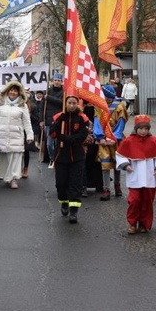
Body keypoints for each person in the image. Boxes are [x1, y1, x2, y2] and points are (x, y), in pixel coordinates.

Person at [116, 115, 156, 234]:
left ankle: (144, 224)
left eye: (146, 129)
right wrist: (125, 164)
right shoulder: (128, 141)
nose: (143, 131)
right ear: (136, 128)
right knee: (134, 201)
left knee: (147, 202)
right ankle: (132, 223)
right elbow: (120, 155)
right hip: (135, 176)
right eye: (141, 128)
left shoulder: (154, 141)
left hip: (150, 177)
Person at [49, 96, 91, 224]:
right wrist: (58, 124)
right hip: (61, 156)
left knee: (75, 184)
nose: (72, 105)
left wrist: (65, 139)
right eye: (69, 103)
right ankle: (64, 203)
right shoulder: (58, 117)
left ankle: (74, 211)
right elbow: (52, 134)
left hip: (77, 157)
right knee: (61, 184)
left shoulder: (82, 118)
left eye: (74, 103)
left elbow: (81, 137)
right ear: (65, 104)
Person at [0, 81, 34, 189]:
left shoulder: (23, 105)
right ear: (8, 91)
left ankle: (13, 179)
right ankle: (5, 176)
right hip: (2, 135)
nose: (13, 93)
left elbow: (27, 122)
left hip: (17, 135)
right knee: (5, 158)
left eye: (15, 91)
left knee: (16, 157)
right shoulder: (0, 104)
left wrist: (30, 135)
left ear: (19, 93)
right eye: (11, 90)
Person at [43, 71, 64, 169]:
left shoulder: (64, 92)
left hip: (59, 120)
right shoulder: (47, 91)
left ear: (61, 82)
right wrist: (41, 120)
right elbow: (42, 107)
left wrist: (49, 98)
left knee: (58, 142)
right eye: (55, 80)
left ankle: (57, 159)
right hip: (48, 120)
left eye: (59, 80)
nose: (57, 82)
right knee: (49, 143)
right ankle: (52, 158)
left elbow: (62, 103)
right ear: (52, 81)